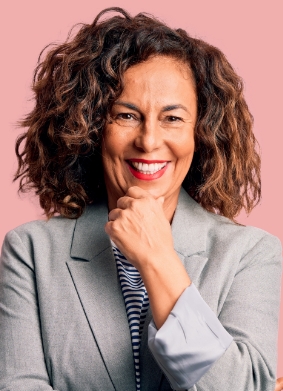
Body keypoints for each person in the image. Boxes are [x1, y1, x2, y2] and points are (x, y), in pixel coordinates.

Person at [0, 6, 281, 391]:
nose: (149, 141)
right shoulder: (30, 252)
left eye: (173, 118)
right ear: (92, 126)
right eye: (127, 115)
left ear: (201, 134)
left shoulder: (252, 254)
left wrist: (159, 260)